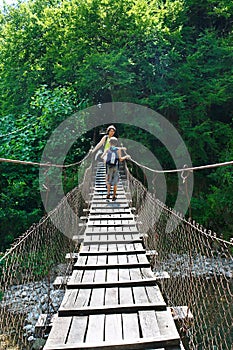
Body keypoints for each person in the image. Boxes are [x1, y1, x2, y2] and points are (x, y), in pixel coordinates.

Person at [102, 137, 130, 201]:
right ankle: (114, 195)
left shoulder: (107, 149)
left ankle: (108, 194)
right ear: (116, 143)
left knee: (108, 181)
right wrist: (126, 156)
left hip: (109, 167)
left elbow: (102, 156)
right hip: (115, 167)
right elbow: (120, 159)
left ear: (109, 143)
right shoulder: (118, 150)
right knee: (115, 181)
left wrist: (106, 159)